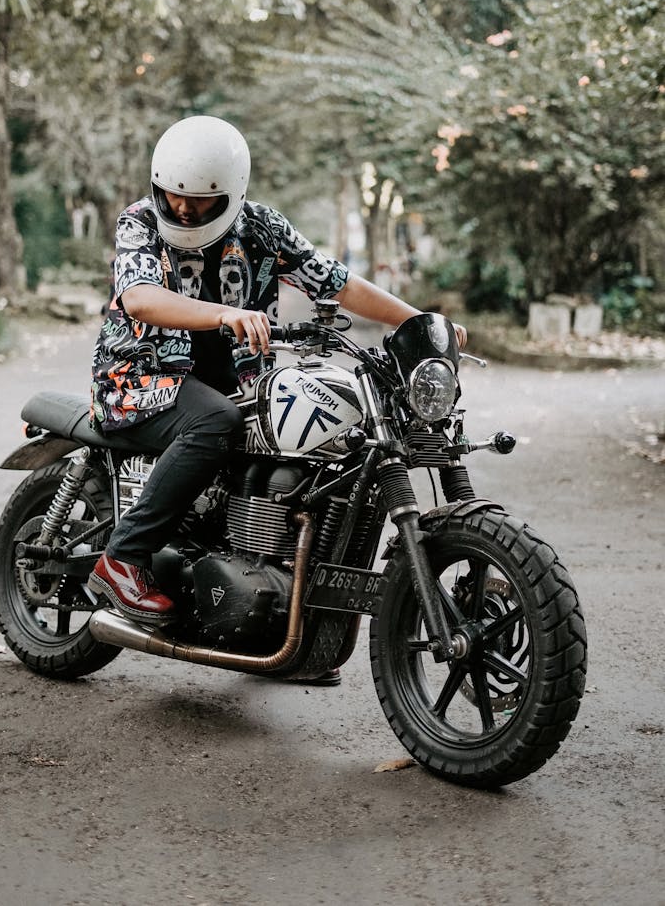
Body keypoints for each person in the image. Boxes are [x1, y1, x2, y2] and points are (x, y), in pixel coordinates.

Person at [88, 115, 467, 639]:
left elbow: (337, 283)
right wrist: (223, 314)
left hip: (235, 383)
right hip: (140, 379)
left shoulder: (261, 227)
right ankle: (123, 557)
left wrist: (420, 320)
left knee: (313, 449)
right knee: (214, 421)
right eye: (173, 194)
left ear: (233, 192)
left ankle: (278, 614)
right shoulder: (140, 221)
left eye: (199, 199)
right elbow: (140, 297)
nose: (182, 207)